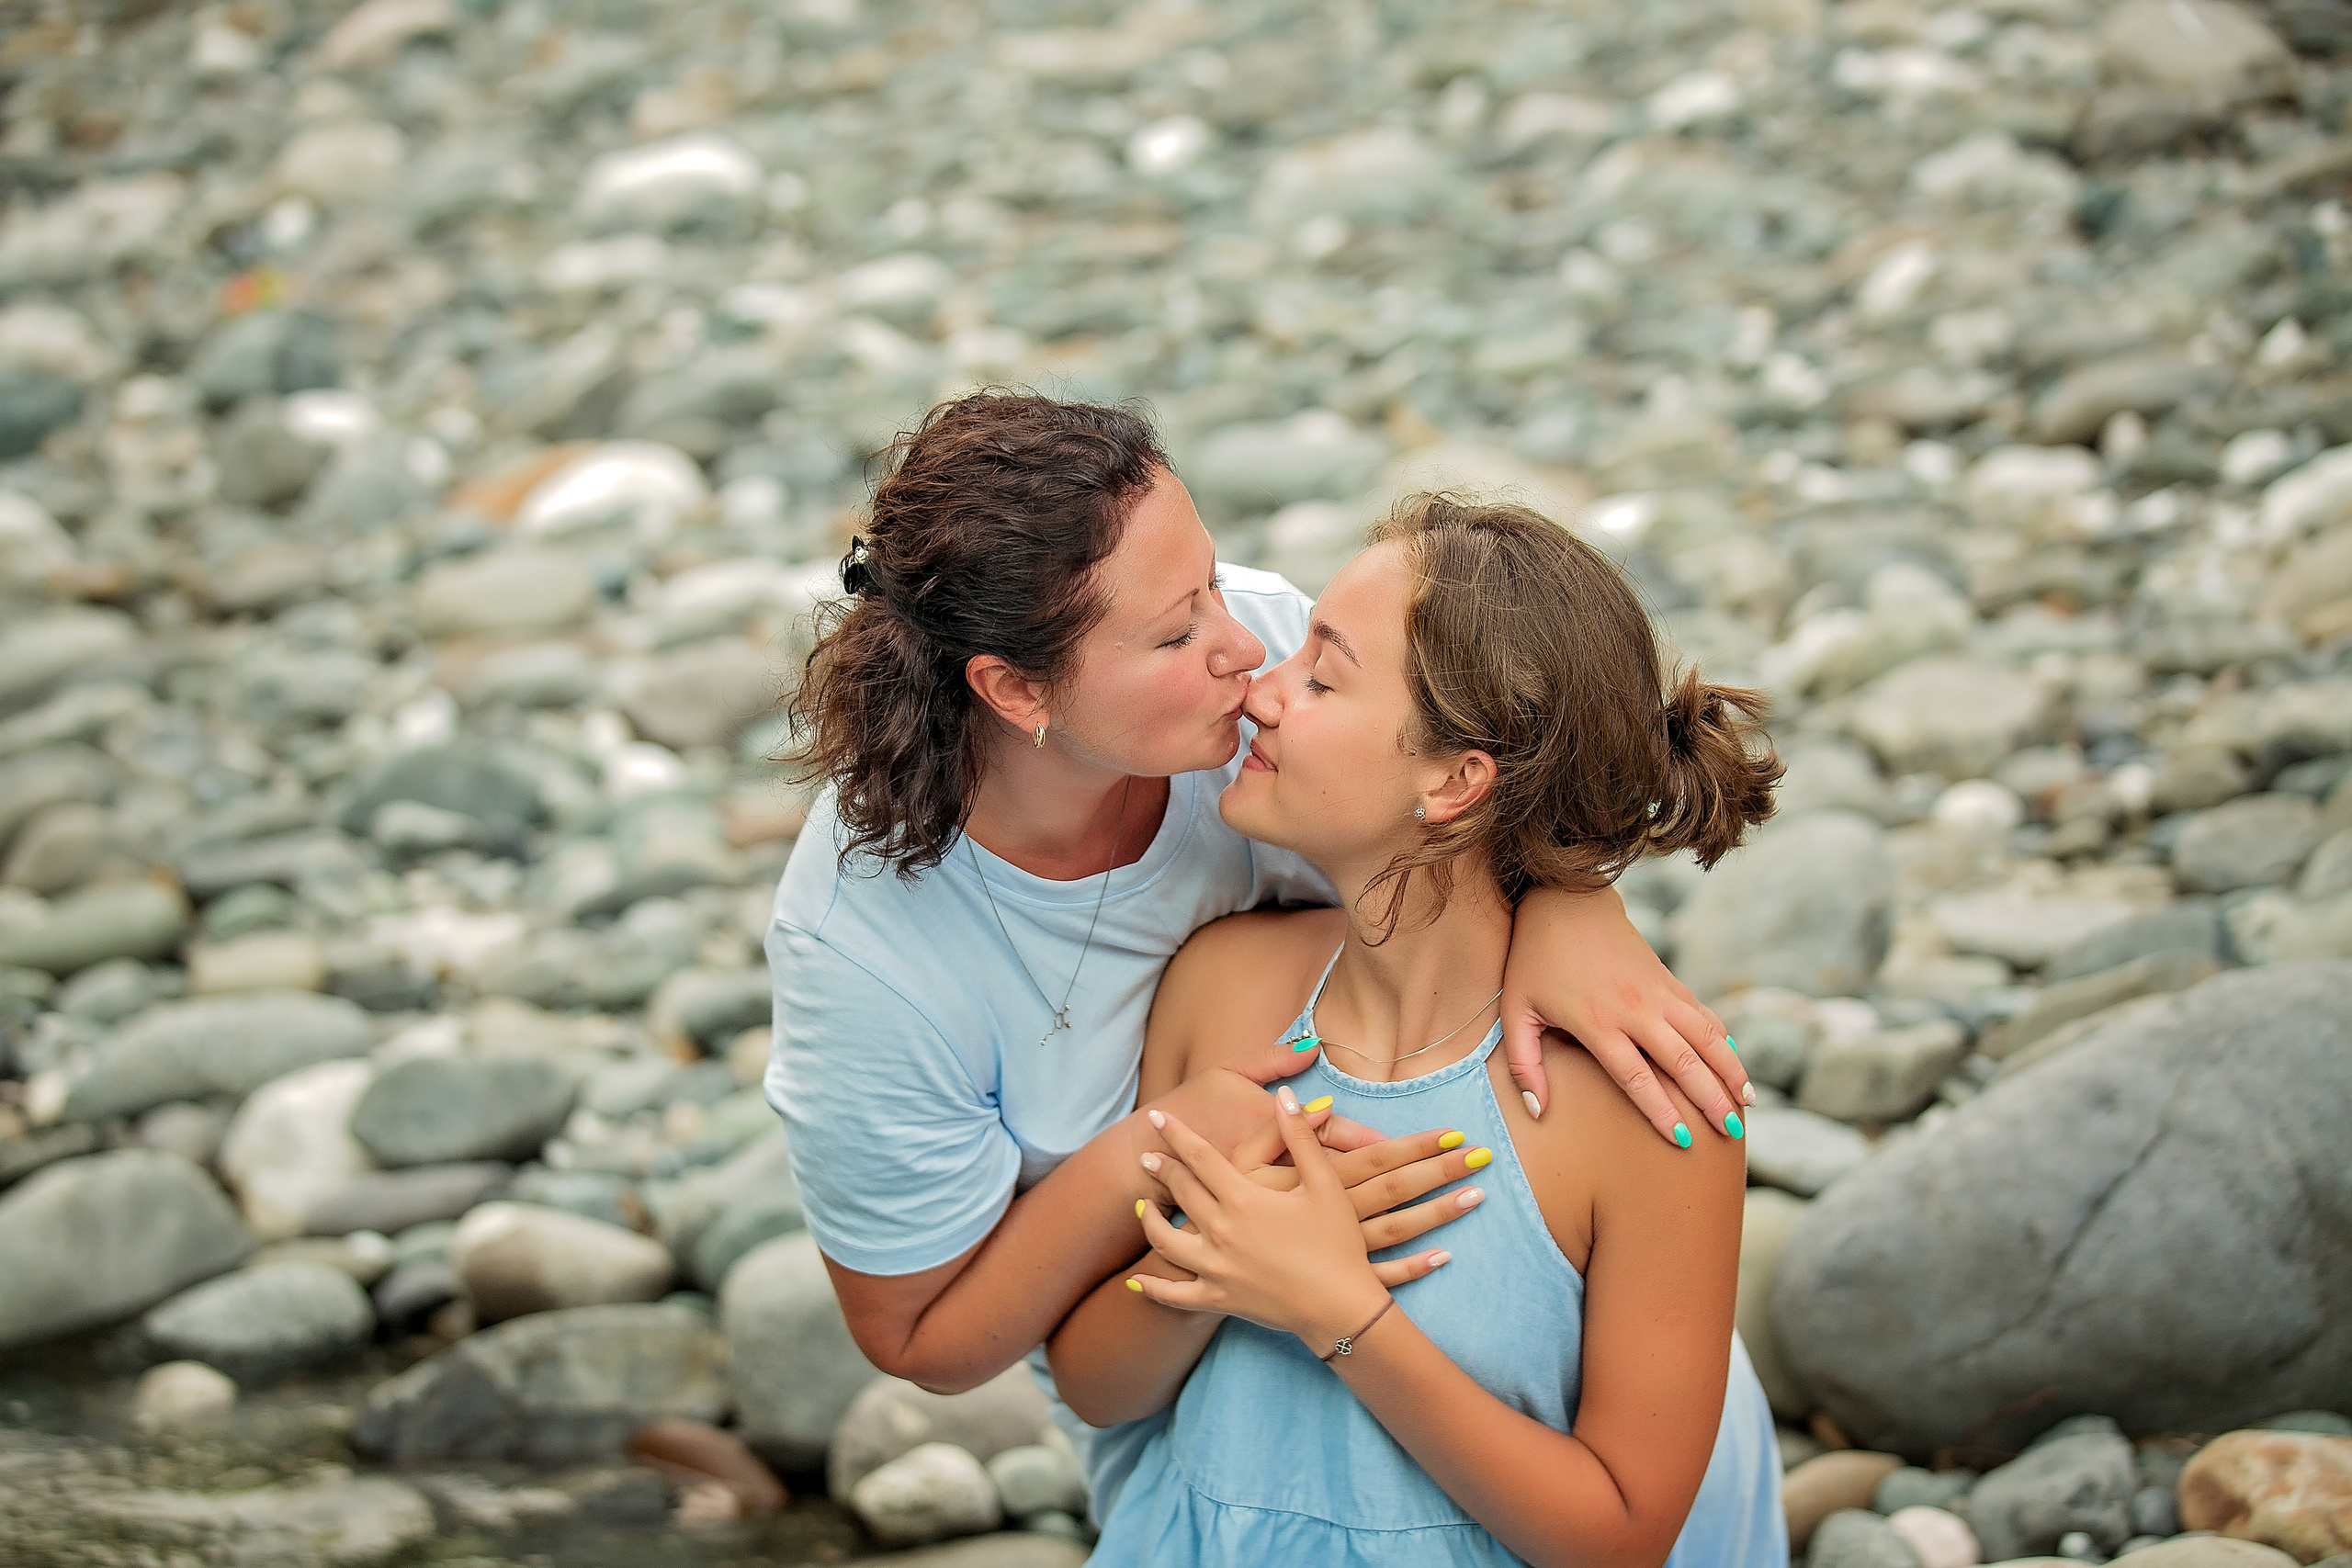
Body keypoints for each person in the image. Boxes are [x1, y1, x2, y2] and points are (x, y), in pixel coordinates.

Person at [763, 393, 1755, 1507]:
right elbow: (932, 1340)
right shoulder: (868, 949)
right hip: (1208, 1437)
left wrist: (1575, 906)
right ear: (1015, 689)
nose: (1247, 652)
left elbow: (1510, 765)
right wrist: (1171, 1158)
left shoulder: (1274, 657)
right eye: (1176, 631)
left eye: (1214, 581)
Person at [1047, 494, 1787, 1567]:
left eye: (1322, 676)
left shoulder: (1637, 1109)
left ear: (1454, 780)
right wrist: (1222, 1263)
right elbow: (1094, 1387)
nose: (1261, 693)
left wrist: (1336, 1309)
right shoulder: (1222, 988)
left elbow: (1618, 1537)